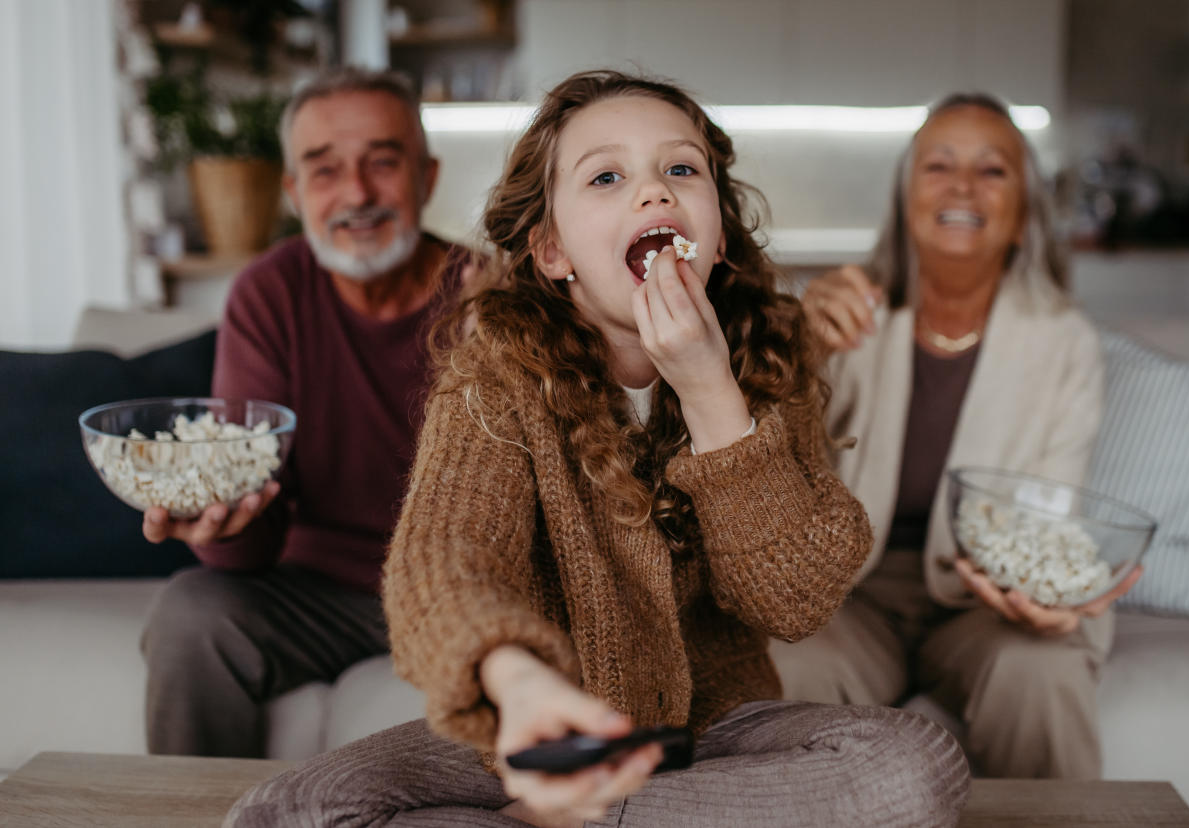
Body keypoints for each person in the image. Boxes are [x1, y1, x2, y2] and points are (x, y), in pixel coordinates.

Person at [223, 70, 972, 827]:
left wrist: (712, 390)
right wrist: (516, 683)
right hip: (539, 735)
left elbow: (795, 599)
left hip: (714, 740)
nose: (654, 192)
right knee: (291, 809)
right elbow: (445, 558)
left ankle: (585, 819)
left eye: (682, 169)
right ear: (552, 250)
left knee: (917, 768)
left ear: (717, 230)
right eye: (607, 177)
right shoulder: (496, 375)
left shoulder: (769, 359)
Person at [776, 92, 1144, 780]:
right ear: (905, 198)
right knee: (788, 668)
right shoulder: (846, 314)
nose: (963, 187)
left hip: (988, 603)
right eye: (939, 165)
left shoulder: (1063, 341)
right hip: (851, 597)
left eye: (993, 170)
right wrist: (799, 351)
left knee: (1039, 674)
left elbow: (1047, 513)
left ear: (1024, 211)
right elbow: (778, 467)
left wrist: (1043, 596)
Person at [138, 67, 471, 758]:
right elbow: (247, 532)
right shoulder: (269, 294)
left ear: (427, 177)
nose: (356, 194)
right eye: (325, 171)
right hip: (317, 594)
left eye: (383, 162)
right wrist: (223, 522)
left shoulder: (487, 297)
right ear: (294, 192)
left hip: (467, 590)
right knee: (190, 613)